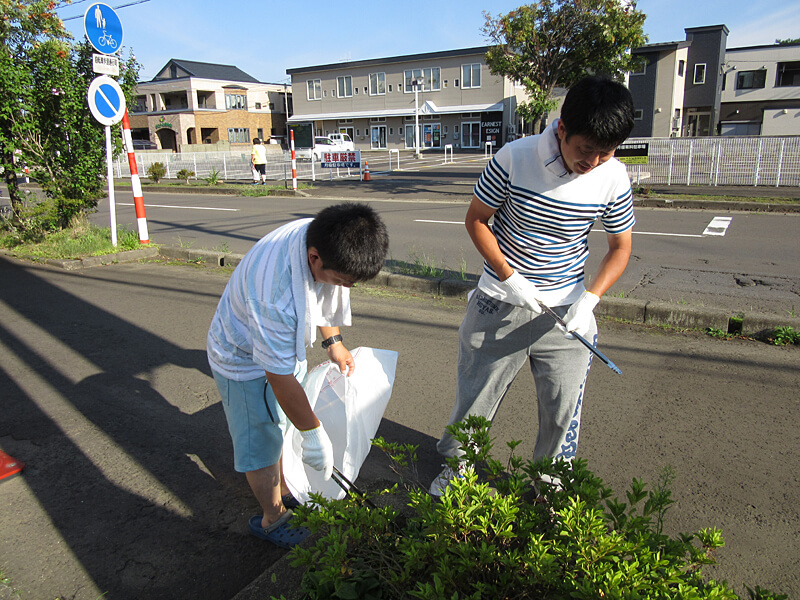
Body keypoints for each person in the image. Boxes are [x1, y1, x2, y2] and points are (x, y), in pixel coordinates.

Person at [430, 75, 636, 497]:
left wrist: (591, 299)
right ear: (562, 129)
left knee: (563, 409)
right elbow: (476, 220)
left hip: (568, 313)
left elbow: (620, 246)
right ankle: (458, 470)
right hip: (502, 301)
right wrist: (510, 276)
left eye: (606, 152)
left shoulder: (613, 177)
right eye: (585, 150)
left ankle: (549, 488)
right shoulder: (515, 157)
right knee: (476, 398)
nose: (594, 162)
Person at [207, 202, 389, 546]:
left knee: (284, 425)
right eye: (342, 280)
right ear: (314, 258)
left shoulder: (324, 235)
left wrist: (333, 340)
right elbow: (277, 377)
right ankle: (272, 517)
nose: (345, 289)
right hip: (241, 359)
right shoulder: (275, 295)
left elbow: (322, 293)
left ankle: (286, 487)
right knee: (261, 442)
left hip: (278, 349)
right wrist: (313, 432)